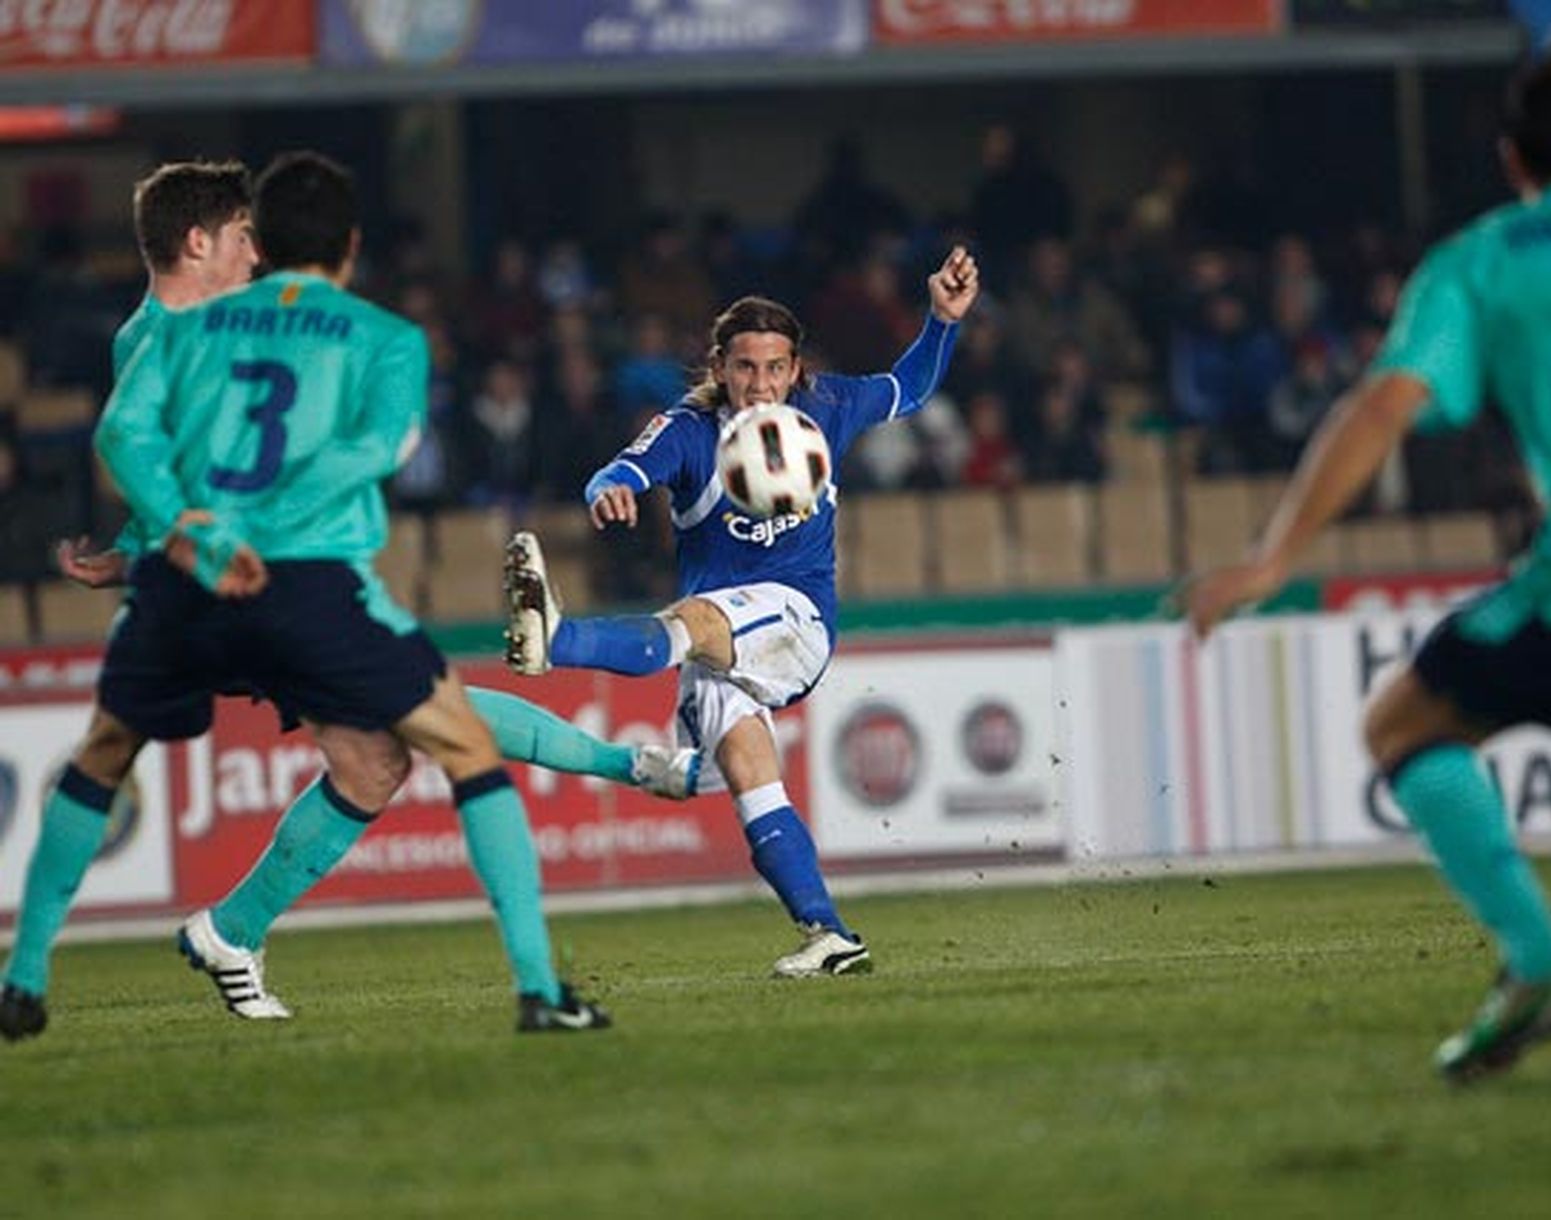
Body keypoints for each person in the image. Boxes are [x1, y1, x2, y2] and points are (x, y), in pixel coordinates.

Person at [3, 153, 620, 1043]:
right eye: (239, 239)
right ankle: (538, 987)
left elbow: (132, 441)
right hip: (300, 579)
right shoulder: (379, 339)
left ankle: (50, 974)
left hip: (190, 582)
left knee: (137, 751)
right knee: (461, 743)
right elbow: (369, 453)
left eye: (259, 238)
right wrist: (252, 524)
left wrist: (169, 540)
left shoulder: (170, 338)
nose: (250, 256)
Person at [1184, 53, 1551, 1082]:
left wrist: (1271, 554)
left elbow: (1383, 406)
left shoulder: (1484, 259)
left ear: (1511, 158)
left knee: (1403, 724)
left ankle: (1537, 956)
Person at [504, 247, 981, 976]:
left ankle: (559, 639)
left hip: (797, 621)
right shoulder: (690, 431)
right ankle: (829, 934)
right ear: (720, 367)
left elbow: (909, 387)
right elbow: (623, 466)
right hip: (722, 645)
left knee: (691, 621)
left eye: (775, 368)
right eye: (745, 368)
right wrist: (612, 489)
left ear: (795, 370)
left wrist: (942, 322)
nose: (761, 385)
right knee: (749, 776)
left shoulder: (827, 407)